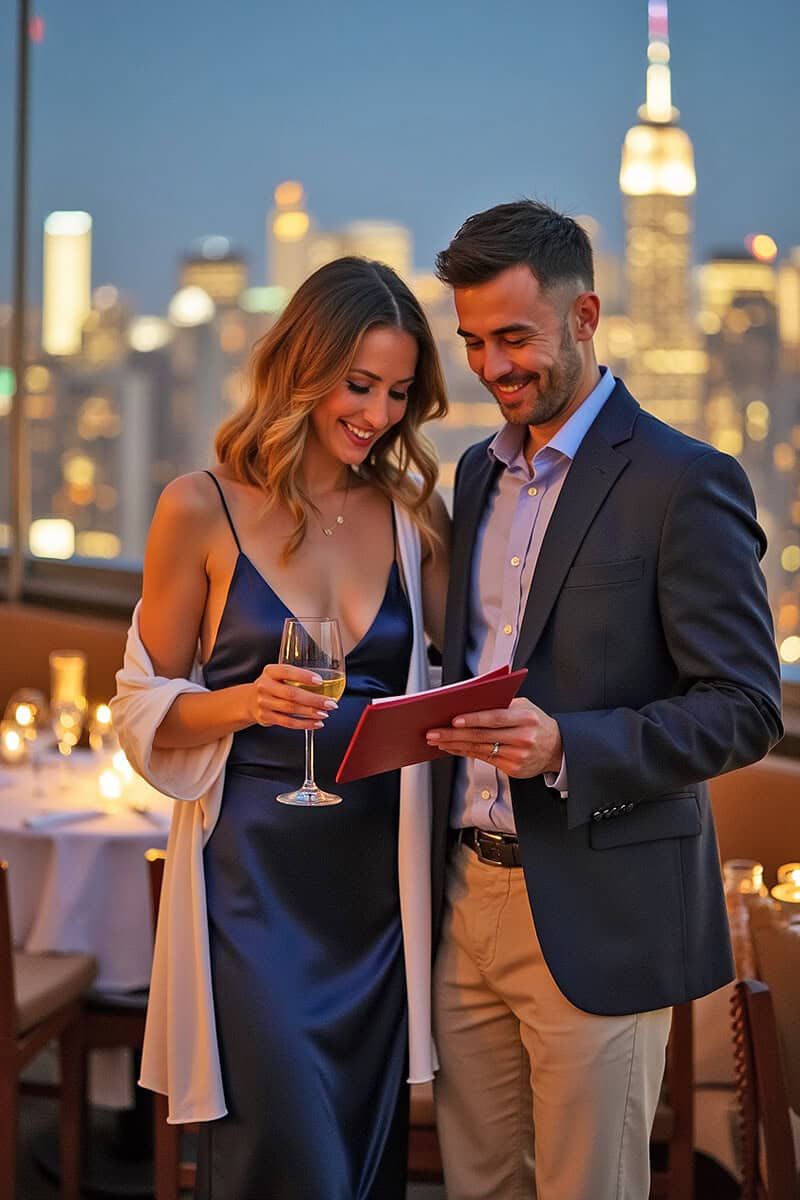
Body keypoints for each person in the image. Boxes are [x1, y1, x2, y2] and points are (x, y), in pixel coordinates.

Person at [425, 200, 783, 1200]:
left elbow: (747, 706)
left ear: (583, 317)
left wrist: (563, 746)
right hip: (466, 900)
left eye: (513, 338)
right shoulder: (473, 475)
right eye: (472, 342)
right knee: (476, 1187)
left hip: (599, 911)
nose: (491, 366)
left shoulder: (684, 480)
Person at [112, 256, 450, 1200]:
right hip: (253, 887)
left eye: (395, 392)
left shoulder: (415, 517)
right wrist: (244, 702)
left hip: (381, 889)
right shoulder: (197, 507)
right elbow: (138, 707)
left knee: (361, 1159)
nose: (377, 414)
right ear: (302, 368)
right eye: (357, 385)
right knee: (284, 1153)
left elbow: (452, 679)